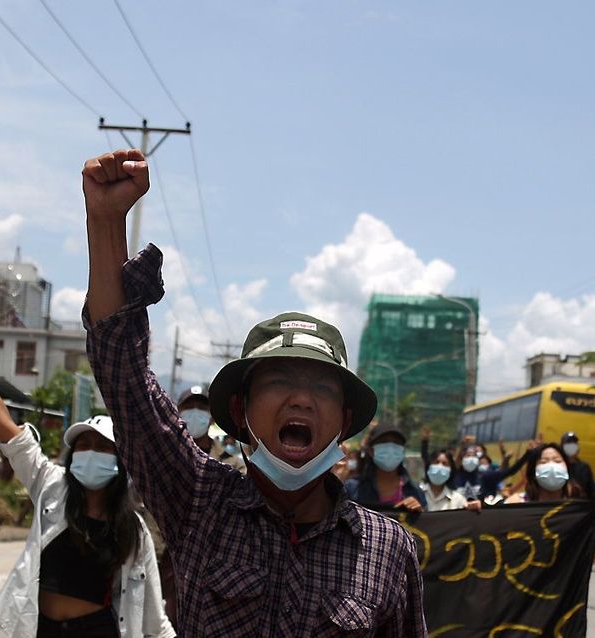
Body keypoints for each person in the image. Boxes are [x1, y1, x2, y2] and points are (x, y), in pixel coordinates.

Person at [82, 149, 426, 636]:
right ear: (241, 412)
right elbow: (124, 377)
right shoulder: (199, 501)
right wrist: (106, 221)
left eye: (320, 386)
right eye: (281, 380)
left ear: (345, 420)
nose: (301, 399)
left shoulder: (388, 549)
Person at [0, 304, 173, 638]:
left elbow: (155, 620)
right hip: (43, 629)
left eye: (103, 447)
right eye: (83, 445)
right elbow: (7, 429)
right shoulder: (52, 487)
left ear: (121, 463)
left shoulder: (132, 530)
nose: (90, 452)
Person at [505, 443, 595, 564]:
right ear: (533, 471)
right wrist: (480, 514)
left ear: (567, 469)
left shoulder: (578, 512)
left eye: (557, 461)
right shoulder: (517, 503)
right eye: (543, 462)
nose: (551, 466)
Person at [345, 423, 426, 511]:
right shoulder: (353, 488)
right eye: (384, 441)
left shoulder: (415, 491)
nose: (390, 448)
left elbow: (427, 523)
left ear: (402, 451)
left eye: (396, 442)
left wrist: (420, 514)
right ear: (371, 450)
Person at [561, 432, 595, 501]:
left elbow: (594, 489)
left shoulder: (584, 467)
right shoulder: (558, 466)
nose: (571, 446)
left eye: (574, 443)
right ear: (562, 446)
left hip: (579, 507)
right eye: (568, 443)